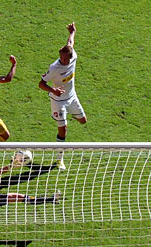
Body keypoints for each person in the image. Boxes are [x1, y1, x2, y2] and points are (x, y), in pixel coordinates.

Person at [39, 22, 87, 170]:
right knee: (63, 129)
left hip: (72, 97)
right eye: (61, 57)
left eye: (65, 59)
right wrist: (53, 91)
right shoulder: (54, 67)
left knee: (83, 121)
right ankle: (59, 160)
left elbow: (70, 43)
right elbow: (41, 84)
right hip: (58, 101)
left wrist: (72, 32)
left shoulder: (73, 57)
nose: (63, 60)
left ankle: (65, 116)